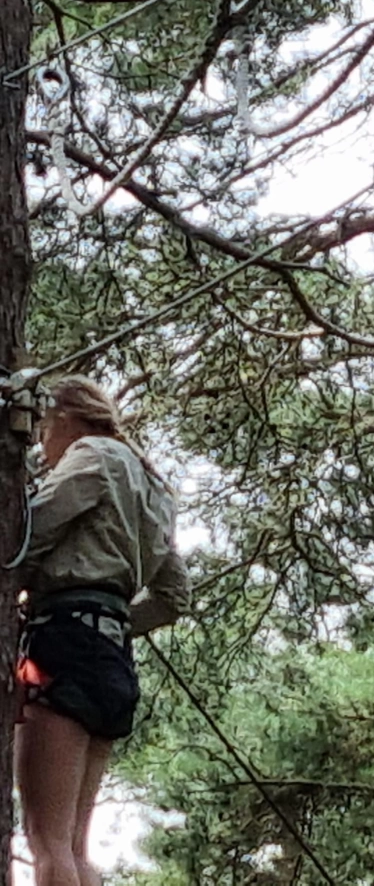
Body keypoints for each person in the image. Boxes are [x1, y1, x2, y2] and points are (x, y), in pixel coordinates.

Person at [15, 376, 191, 886]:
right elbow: (174, 596)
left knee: (47, 841)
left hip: (63, 645)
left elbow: (28, 532)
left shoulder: (91, 455)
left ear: (65, 417)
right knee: (73, 844)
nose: (42, 449)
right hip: (110, 658)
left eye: (44, 431)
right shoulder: (153, 487)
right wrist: (111, 622)